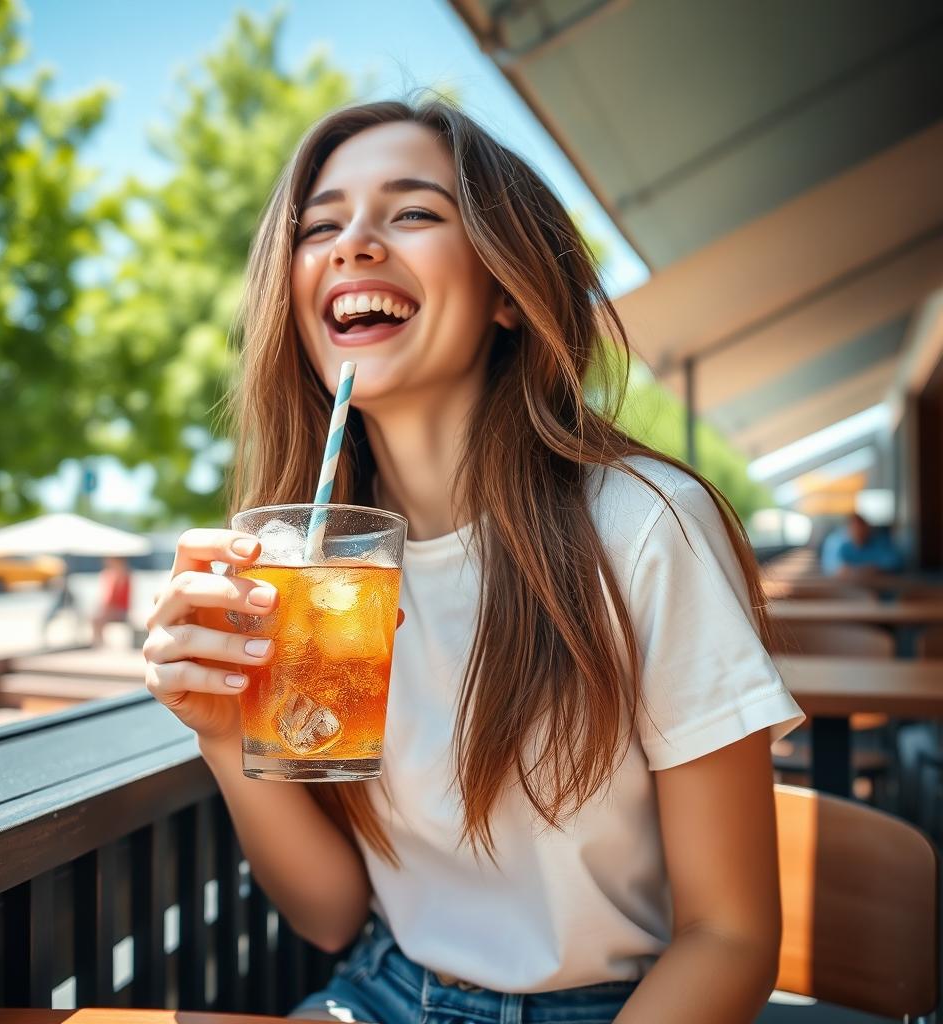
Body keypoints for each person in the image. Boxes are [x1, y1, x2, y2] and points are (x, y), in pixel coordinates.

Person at [143, 97, 805, 1024]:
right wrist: (220, 732)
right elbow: (331, 914)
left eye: (412, 212)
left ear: (506, 289)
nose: (354, 244)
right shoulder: (309, 567)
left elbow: (729, 939)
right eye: (321, 225)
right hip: (382, 988)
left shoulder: (645, 528)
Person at [820, 512, 905, 577]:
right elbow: (838, 569)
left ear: (867, 528)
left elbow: (895, 562)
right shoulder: (844, 548)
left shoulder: (880, 544)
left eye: (860, 528)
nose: (858, 532)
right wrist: (864, 570)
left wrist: (873, 569)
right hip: (852, 591)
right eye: (854, 529)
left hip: (880, 591)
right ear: (848, 531)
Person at [92, 556, 132, 645]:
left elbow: (112, 597)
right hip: (114, 609)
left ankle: (99, 643)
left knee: (96, 619)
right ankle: (99, 642)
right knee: (95, 617)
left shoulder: (122, 574)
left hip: (119, 610)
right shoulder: (113, 574)